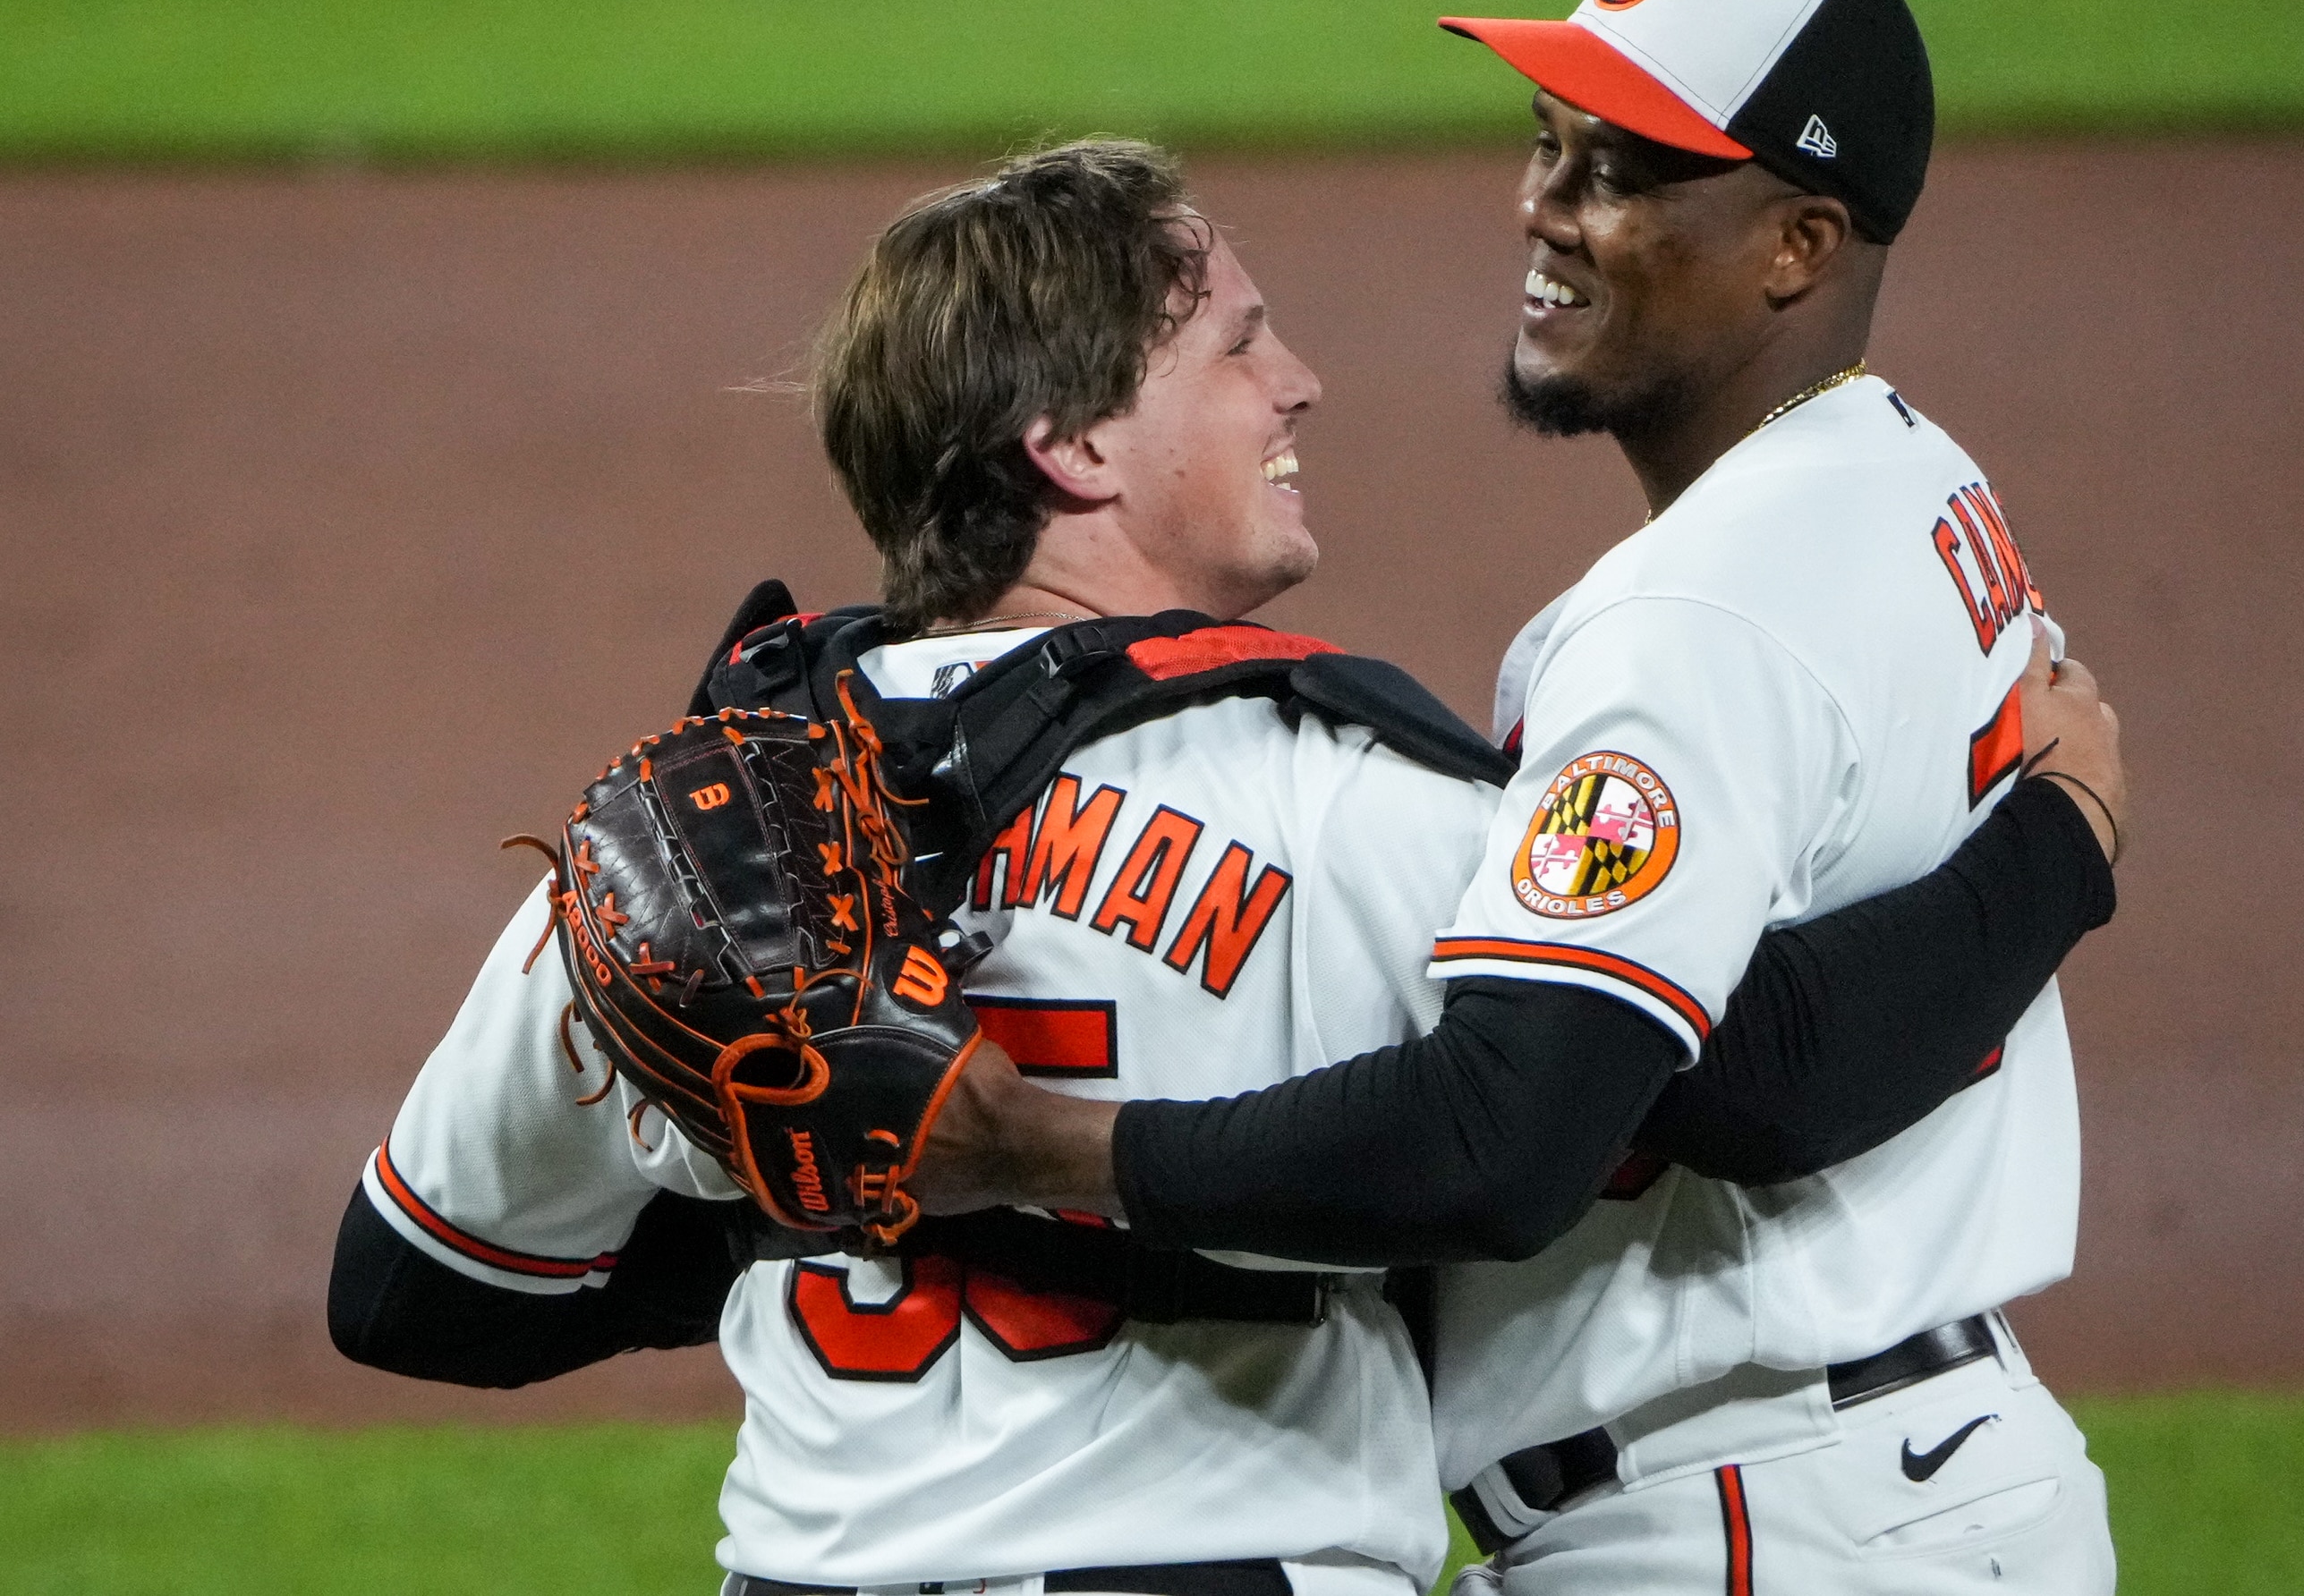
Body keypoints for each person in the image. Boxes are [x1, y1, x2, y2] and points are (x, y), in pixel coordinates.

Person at [330, 135, 2123, 1593]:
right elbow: (1754, 1077)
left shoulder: (681, 847)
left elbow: (410, 1292)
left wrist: (802, 1194)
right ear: (1075, 445)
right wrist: (2062, 832)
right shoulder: (1342, 800)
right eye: (1239, 346)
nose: (1302, 381)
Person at [915, 0, 2121, 1593]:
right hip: (1894, 1473)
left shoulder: (1691, 622)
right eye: (1550, 144)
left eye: (1625, 169)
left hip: (1759, 1513)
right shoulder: (1911, 482)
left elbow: (1541, 1126)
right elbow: (1748, 1042)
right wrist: (2067, 842)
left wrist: (1032, 1145)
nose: (1548, 207)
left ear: (1798, 243)